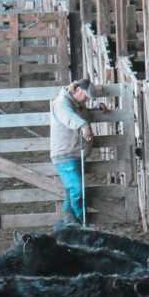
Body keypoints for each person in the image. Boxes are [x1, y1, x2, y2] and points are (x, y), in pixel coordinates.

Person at [49, 78, 107, 224]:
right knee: (77, 189)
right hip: (64, 155)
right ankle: (81, 223)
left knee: (71, 191)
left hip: (75, 153)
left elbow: (82, 114)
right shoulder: (61, 103)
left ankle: (70, 226)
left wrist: (98, 109)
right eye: (86, 96)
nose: (87, 99)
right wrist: (84, 125)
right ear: (78, 90)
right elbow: (70, 117)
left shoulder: (77, 103)